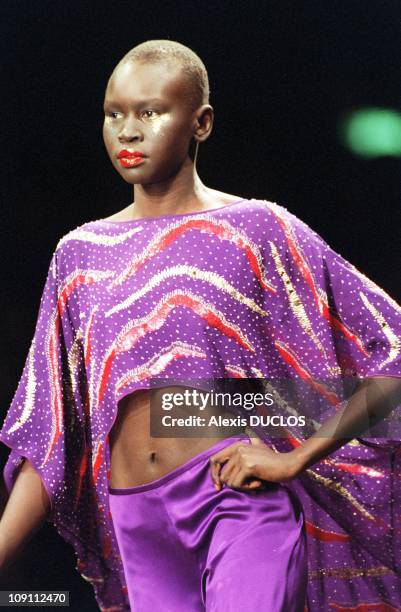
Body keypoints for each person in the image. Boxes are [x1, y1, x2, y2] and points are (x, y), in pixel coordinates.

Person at [0, 39, 401, 612]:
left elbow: (392, 354)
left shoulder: (256, 227)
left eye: (151, 112)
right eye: (114, 114)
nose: (128, 132)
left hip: (235, 500)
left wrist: (294, 456)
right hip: (136, 521)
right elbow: (51, 434)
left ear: (202, 122)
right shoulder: (78, 254)